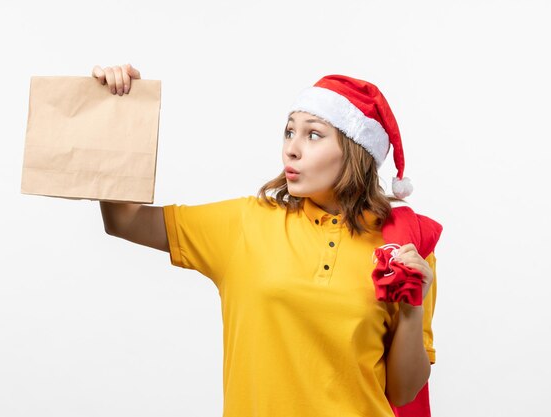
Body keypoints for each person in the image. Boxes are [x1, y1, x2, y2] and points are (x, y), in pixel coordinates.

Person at [93, 63, 440, 417]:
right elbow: (124, 220)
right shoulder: (246, 223)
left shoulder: (404, 250)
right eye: (289, 132)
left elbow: (401, 391)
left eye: (314, 135)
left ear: (356, 150)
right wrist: (116, 118)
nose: (292, 148)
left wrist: (412, 309)